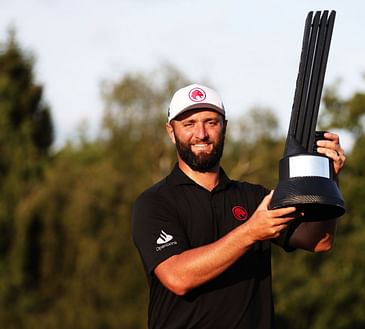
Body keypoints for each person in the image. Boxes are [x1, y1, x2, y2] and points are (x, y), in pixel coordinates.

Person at [132, 83, 346, 329]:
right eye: (189, 124)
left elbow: (319, 241)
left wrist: (327, 179)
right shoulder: (154, 202)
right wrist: (251, 231)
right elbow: (178, 277)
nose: (201, 133)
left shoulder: (254, 197)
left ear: (224, 127)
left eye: (211, 122)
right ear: (171, 131)